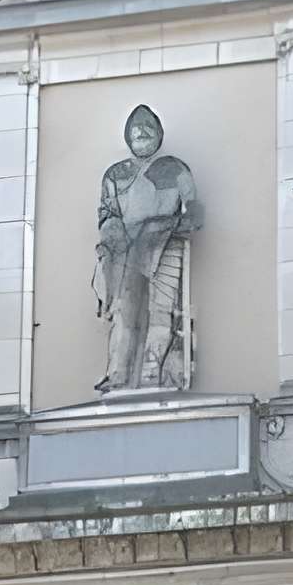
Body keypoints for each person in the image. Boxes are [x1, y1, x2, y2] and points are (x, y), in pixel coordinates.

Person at [93, 105, 200, 393]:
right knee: (123, 311)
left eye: (146, 129)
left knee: (162, 310)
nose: (140, 133)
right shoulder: (115, 175)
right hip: (125, 250)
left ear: (158, 134)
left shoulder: (175, 169)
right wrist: (114, 234)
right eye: (135, 130)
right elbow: (106, 214)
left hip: (166, 244)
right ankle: (118, 373)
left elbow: (194, 212)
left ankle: (156, 371)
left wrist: (170, 224)